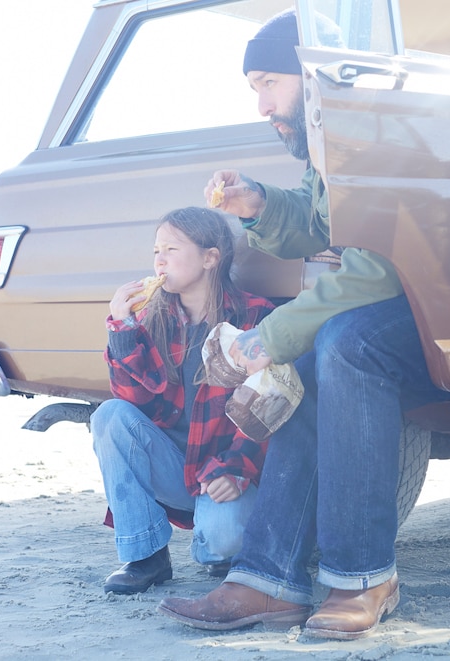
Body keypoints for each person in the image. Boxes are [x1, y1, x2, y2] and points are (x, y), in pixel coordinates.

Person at [157, 10, 450, 639]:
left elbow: (375, 271)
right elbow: (326, 228)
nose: (261, 102)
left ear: (312, 76)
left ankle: (363, 576)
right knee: (311, 363)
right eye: (254, 87)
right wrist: (259, 205)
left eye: (269, 82)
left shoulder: (379, 134)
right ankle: (269, 582)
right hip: (410, 304)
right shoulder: (330, 146)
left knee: (346, 343)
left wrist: (269, 337)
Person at [91, 206, 274, 594]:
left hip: (228, 472)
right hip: (176, 465)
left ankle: (222, 541)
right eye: (156, 250)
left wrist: (237, 468)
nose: (159, 259)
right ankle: (146, 557)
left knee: (220, 546)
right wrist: (122, 331)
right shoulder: (152, 318)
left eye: (172, 249)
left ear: (210, 258)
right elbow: (134, 402)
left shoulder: (255, 316)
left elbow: (271, 405)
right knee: (110, 415)